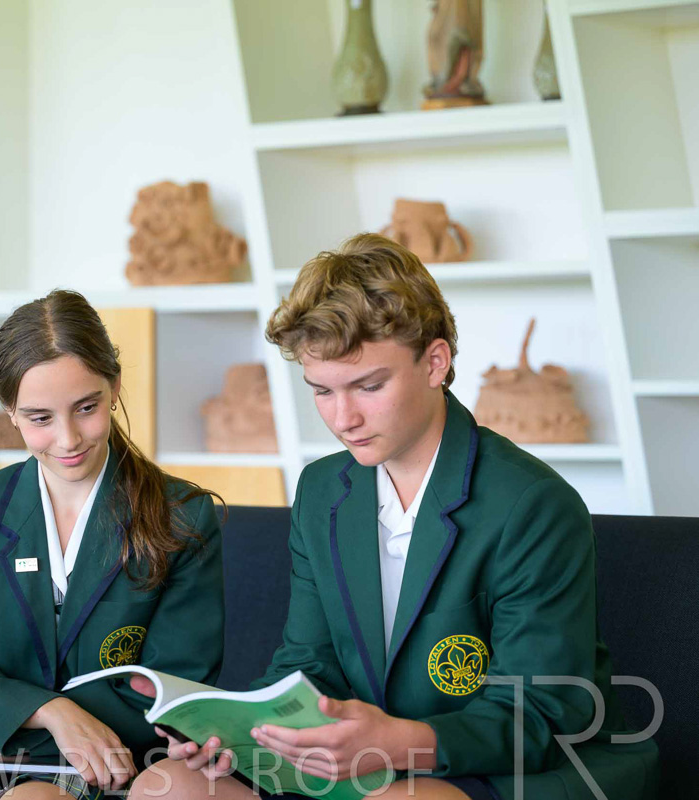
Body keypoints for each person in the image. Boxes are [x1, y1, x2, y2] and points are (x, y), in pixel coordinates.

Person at [131, 234, 658, 800]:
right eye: (322, 391)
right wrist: (239, 733)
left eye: (369, 386)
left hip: (520, 765)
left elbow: (540, 717)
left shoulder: (532, 504)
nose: (344, 418)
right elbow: (308, 663)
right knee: (168, 784)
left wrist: (400, 742)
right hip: (371, 761)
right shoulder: (321, 490)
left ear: (435, 362)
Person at [0, 289, 225, 800]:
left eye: (86, 408)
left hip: (100, 756)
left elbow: (174, 693)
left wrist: (1, 733)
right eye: (40, 418)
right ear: (10, 411)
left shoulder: (182, 514)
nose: (68, 439)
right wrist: (51, 711)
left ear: (114, 387)